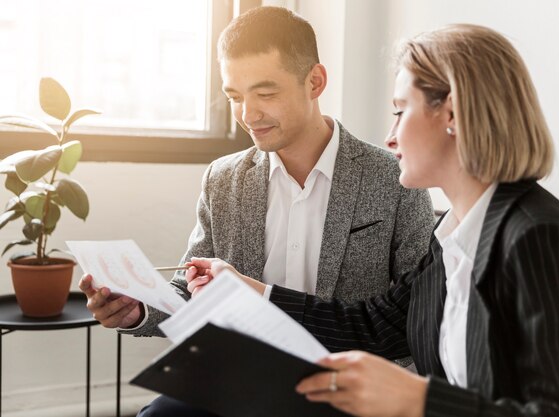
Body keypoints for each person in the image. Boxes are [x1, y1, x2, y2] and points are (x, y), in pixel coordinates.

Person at [187, 24, 559, 417]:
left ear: (451, 115)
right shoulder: (453, 236)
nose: (389, 135)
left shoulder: (540, 238)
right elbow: (374, 325)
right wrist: (256, 292)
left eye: (400, 110)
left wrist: (417, 399)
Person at [78, 6, 434, 417]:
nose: (248, 114)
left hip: (347, 386)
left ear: (314, 82)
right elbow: (189, 288)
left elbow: (415, 316)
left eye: (265, 93)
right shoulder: (223, 179)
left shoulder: (393, 176)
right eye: (234, 97)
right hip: (241, 378)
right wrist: (137, 309)